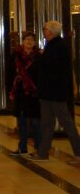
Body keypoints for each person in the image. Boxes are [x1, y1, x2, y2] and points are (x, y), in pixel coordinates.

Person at [31, 20, 80, 162]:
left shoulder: (59, 46)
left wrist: (40, 56)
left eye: (45, 29)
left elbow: (51, 66)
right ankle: (43, 152)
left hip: (55, 93)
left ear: (51, 31)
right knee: (47, 123)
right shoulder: (52, 46)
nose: (44, 32)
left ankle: (78, 152)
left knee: (66, 123)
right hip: (47, 92)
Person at [9, 32, 41, 155]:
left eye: (31, 40)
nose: (29, 42)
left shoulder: (38, 57)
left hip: (33, 93)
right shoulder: (16, 56)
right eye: (26, 39)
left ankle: (38, 148)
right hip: (20, 92)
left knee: (35, 122)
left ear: (34, 43)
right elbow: (10, 72)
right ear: (22, 41)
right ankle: (22, 147)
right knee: (22, 121)